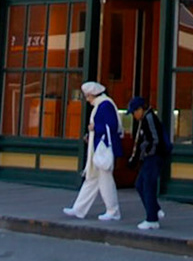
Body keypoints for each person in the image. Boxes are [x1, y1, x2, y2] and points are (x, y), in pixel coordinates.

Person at [61, 81, 124, 222]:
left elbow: (111, 126)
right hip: (100, 148)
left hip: (102, 149)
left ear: (92, 95)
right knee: (93, 179)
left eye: (87, 96)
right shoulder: (105, 104)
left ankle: (112, 211)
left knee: (103, 181)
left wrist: (94, 128)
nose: (87, 99)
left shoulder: (104, 105)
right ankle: (79, 209)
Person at [128, 95, 168, 230]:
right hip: (151, 157)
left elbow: (155, 140)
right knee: (140, 185)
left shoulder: (149, 119)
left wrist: (146, 152)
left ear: (140, 109)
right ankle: (155, 209)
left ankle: (152, 219)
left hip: (154, 158)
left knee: (147, 186)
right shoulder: (146, 119)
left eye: (134, 112)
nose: (133, 115)